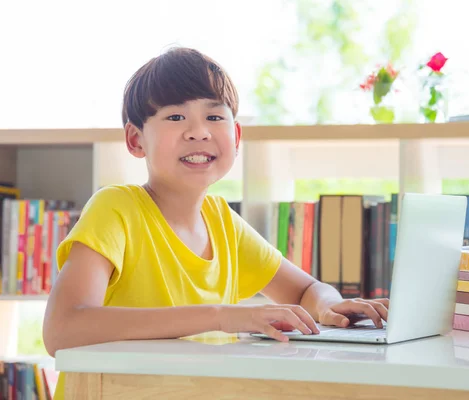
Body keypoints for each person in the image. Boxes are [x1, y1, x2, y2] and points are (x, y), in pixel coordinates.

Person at [43, 47, 389, 398]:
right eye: (175, 117)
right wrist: (223, 316)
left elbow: (305, 290)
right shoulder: (116, 208)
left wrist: (328, 306)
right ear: (136, 140)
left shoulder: (222, 221)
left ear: (236, 137)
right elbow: (63, 329)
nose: (198, 132)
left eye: (214, 117)